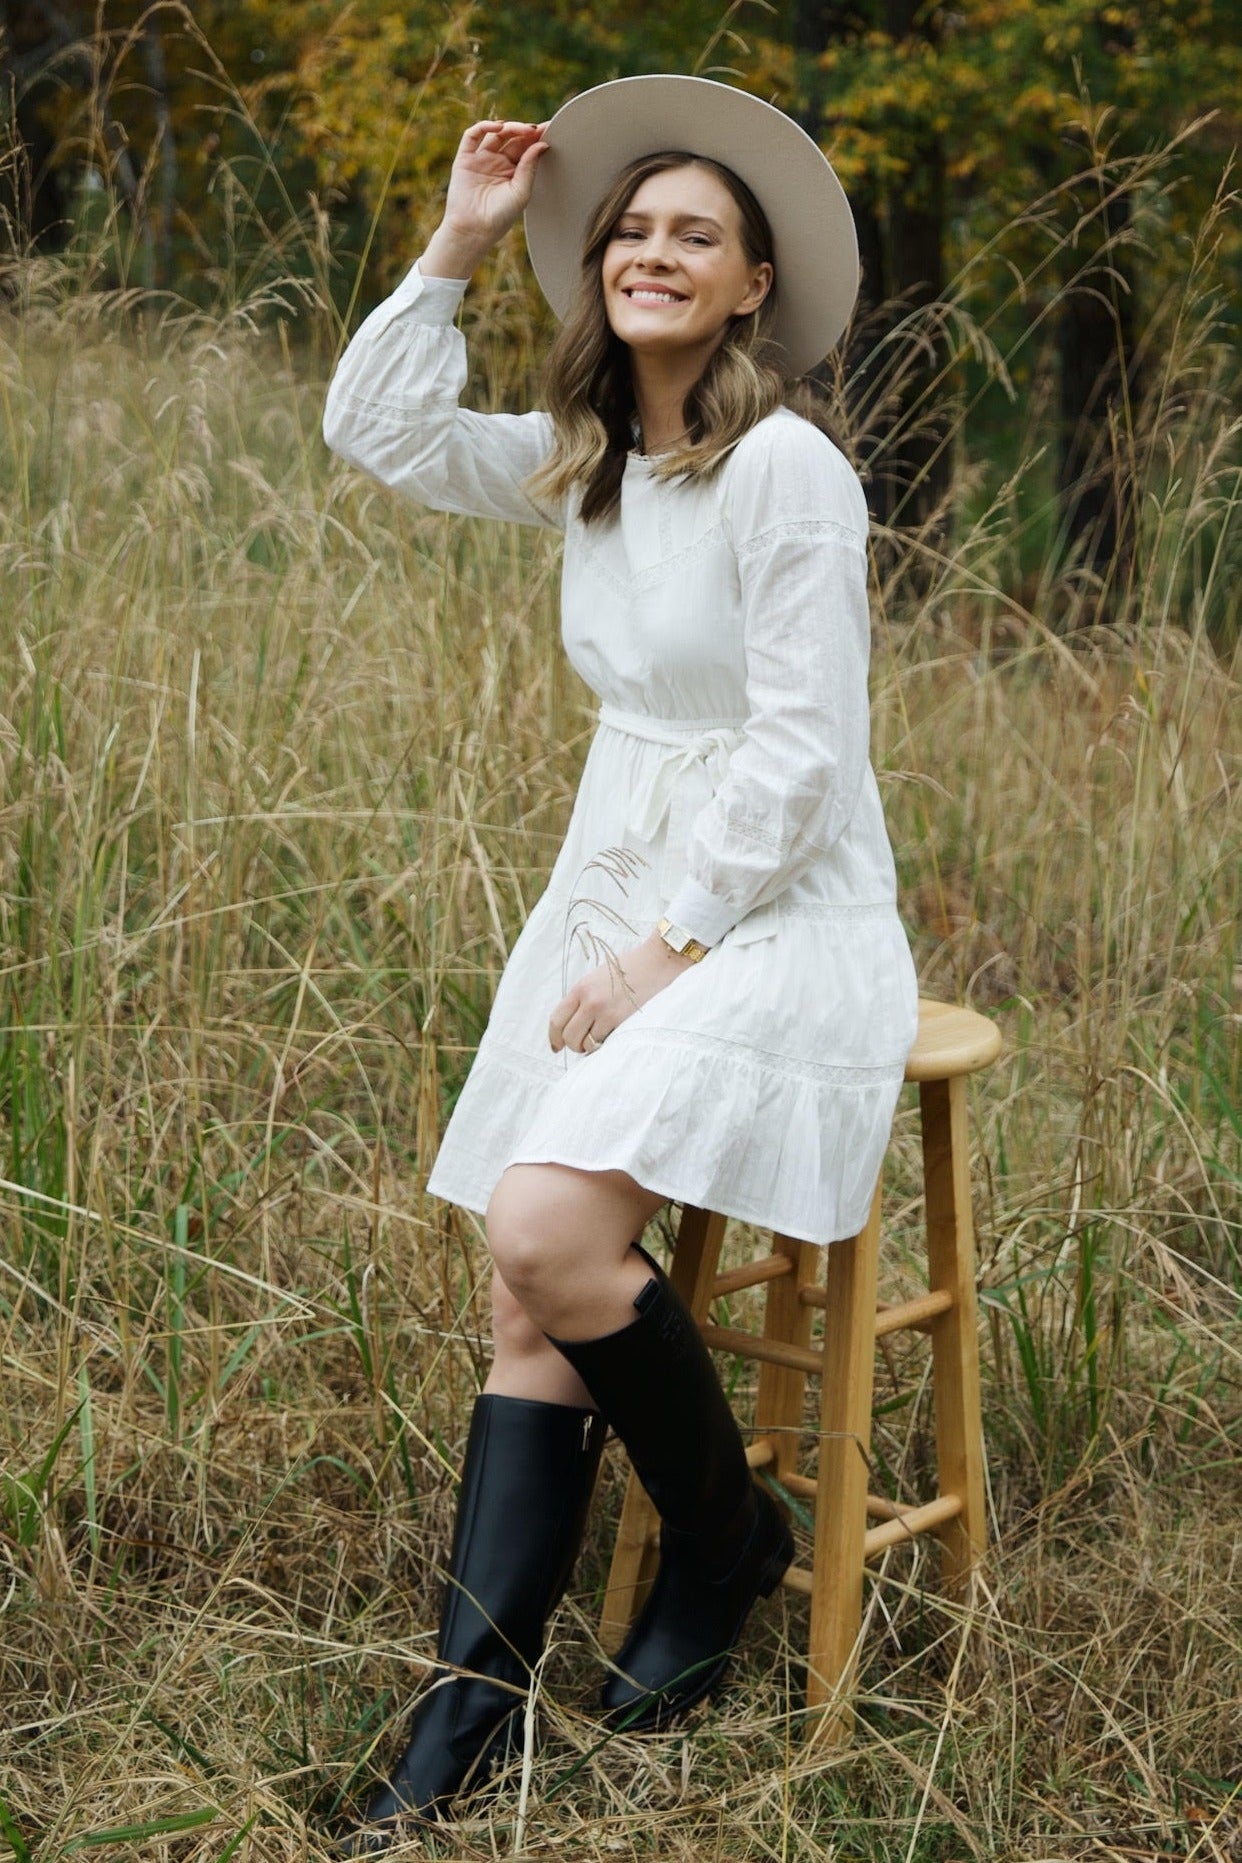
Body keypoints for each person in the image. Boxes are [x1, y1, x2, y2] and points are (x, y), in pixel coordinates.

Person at [322, 73, 919, 1851]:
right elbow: (375, 430)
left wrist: (670, 947)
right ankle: (471, 1714)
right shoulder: (591, 459)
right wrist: (458, 240)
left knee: (543, 1231)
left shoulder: (783, 467)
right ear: (599, 269)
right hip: (617, 899)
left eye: (695, 236)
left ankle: (724, 1542)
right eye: (630, 231)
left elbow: (801, 755)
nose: (655, 253)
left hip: (777, 907)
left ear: (752, 287)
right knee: (530, 1288)